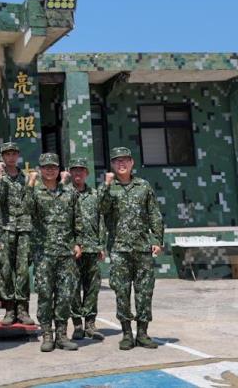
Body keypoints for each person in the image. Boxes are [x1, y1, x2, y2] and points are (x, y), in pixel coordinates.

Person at [99, 146, 165, 351]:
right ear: (112, 165)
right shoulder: (109, 189)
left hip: (142, 247)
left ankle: (143, 333)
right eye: (117, 161)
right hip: (119, 249)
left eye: (125, 160)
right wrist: (106, 186)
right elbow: (100, 210)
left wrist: (157, 239)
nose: (121, 164)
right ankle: (127, 333)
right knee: (122, 291)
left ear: (132, 162)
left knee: (144, 291)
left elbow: (154, 214)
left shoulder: (143, 186)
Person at [29, 153, 82, 353]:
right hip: (44, 253)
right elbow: (24, 209)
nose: (50, 170)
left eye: (53, 166)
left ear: (59, 169)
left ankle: (61, 334)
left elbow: (78, 220)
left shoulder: (69, 193)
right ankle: (47, 334)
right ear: (40, 169)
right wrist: (30, 184)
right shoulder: (34, 193)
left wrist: (78, 243)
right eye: (46, 167)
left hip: (65, 252)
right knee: (44, 294)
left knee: (65, 294)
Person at [0, 142, 35, 326]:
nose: (10, 157)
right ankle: (9, 308)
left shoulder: (26, 178)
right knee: (5, 270)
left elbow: (32, 205)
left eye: (13, 153)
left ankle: (22, 309)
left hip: (24, 229)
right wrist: (0, 177)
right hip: (5, 229)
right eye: (7, 154)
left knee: (22, 271)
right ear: (2, 157)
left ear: (18, 155)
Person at [68, 158, 105, 342]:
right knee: (73, 288)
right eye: (74, 170)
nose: (78, 174)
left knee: (92, 287)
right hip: (72, 250)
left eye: (81, 171)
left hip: (92, 248)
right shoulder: (65, 194)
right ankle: (77, 325)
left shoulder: (95, 195)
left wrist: (101, 245)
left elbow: (101, 221)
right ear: (69, 173)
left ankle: (90, 324)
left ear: (87, 173)